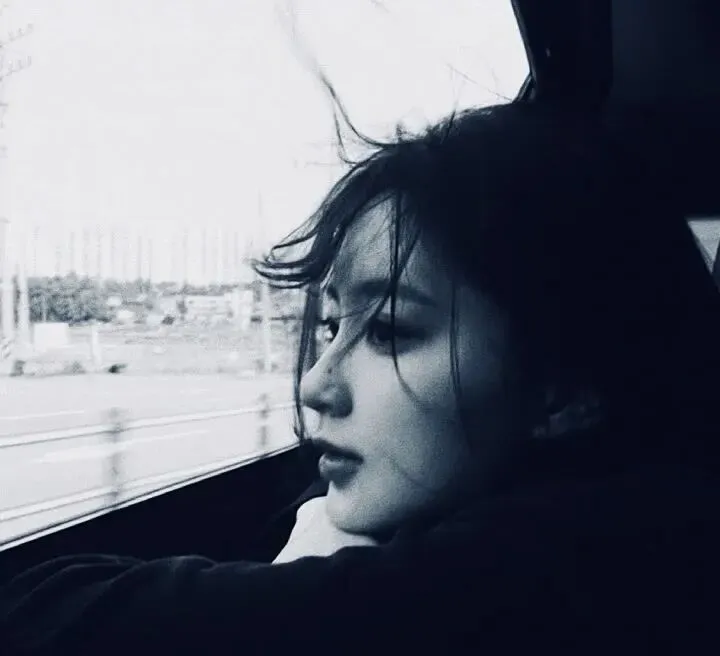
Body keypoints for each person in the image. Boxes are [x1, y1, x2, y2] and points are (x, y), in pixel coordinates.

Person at [3, 101, 720, 654]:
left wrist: (297, 575)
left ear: (563, 386)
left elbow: (37, 616)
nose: (317, 384)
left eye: (390, 331)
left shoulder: (584, 563)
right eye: (329, 327)